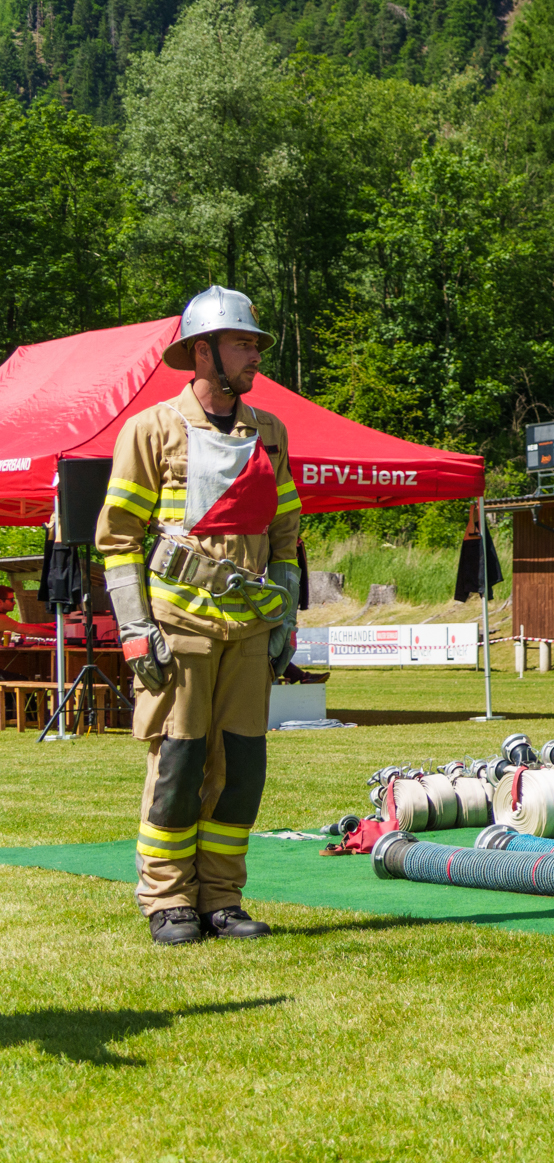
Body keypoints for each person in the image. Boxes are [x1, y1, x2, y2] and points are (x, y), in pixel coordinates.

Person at [97, 286, 302, 946]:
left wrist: (285, 620)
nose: (255, 356)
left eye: (255, 344)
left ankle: (221, 898)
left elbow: (286, 537)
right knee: (179, 764)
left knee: (241, 770)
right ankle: (168, 899)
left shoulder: (269, 433)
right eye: (243, 344)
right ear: (204, 351)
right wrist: (136, 630)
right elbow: (117, 538)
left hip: (250, 629)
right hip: (177, 625)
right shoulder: (150, 430)